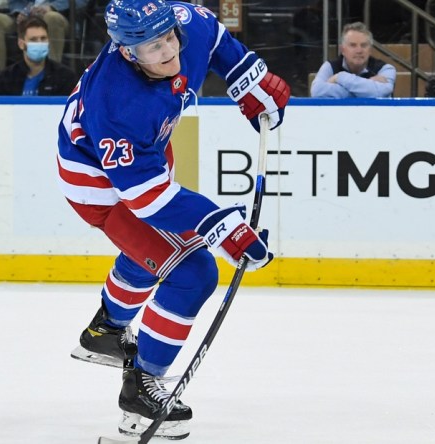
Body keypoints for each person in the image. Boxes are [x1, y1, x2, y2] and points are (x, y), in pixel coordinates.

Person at [57, 0, 288, 439]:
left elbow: (216, 38)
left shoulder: (186, 24)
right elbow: (146, 199)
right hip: (100, 186)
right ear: (127, 52)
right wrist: (221, 226)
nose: (167, 53)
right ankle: (141, 391)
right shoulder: (118, 103)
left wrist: (248, 81)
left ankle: (106, 329)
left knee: (156, 252)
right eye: (150, 48)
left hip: (146, 158)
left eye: (168, 40)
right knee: (193, 271)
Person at [0, 0, 87, 73]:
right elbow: (14, 1)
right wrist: (21, 11)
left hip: (60, 16)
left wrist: (53, 7)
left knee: (52, 17)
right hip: (27, 15)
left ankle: (54, 72)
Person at [0, 16, 76, 95]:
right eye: (33, 40)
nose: (39, 43)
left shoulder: (65, 77)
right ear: (21, 44)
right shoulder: (6, 78)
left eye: (43, 38)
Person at [310, 21, 395, 98]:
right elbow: (317, 91)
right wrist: (368, 88)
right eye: (353, 45)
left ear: (370, 50)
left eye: (364, 45)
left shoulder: (386, 69)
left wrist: (340, 77)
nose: (359, 50)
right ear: (342, 50)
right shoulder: (329, 67)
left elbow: (381, 92)